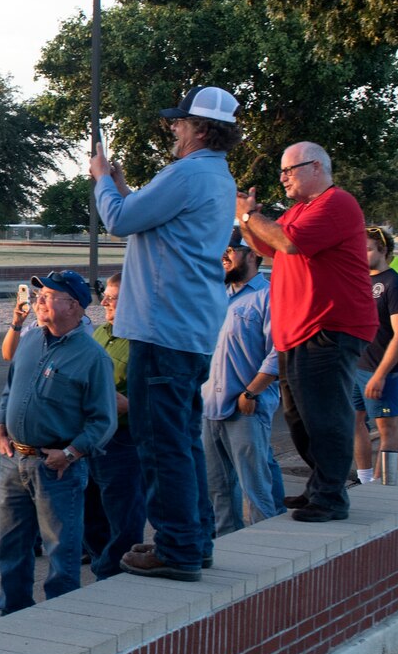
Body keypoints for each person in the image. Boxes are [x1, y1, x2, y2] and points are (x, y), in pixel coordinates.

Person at [90, 85, 240, 583]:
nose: (172, 128)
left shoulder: (189, 171)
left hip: (163, 329)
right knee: (183, 438)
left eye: (178, 122)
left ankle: (176, 547)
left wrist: (101, 182)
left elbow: (118, 219)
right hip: (190, 327)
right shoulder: (215, 174)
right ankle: (195, 540)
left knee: (162, 442)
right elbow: (150, 218)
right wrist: (124, 184)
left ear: (199, 128)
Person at [235, 142, 376, 522]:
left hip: (328, 327)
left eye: (289, 170)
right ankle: (320, 486)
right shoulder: (300, 210)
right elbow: (267, 244)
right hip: (296, 331)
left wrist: (249, 217)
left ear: (316, 167)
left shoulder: (337, 203)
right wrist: (247, 222)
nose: (282, 178)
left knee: (325, 413)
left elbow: (288, 243)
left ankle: (331, 496)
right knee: (300, 416)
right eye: (281, 171)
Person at [0, 271, 116, 614]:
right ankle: (12, 617)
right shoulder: (31, 338)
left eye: (48, 296)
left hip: (57, 471)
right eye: (39, 294)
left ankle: (60, 620)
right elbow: (10, 386)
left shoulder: (92, 357)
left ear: (74, 306)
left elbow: (103, 420)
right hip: (13, 463)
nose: (39, 300)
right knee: (11, 550)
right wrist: (0, 425)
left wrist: (71, 453)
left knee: (62, 554)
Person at [201, 238, 284, 555]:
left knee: (256, 488)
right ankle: (229, 549)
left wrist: (252, 392)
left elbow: (279, 352)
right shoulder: (218, 295)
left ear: (254, 255)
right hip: (209, 407)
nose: (224, 255)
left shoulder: (269, 296)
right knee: (218, 487)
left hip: (245, 409)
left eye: (231, 250)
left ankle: (265, 552)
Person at [87, 272, 148, 580]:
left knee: (123, 515)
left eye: (114, 299)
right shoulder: (99, 333)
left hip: (123, 441)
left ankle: (115, 573)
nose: (106, 303)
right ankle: (102, 563)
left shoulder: (144, 342)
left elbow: (157, 395)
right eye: (105, 296)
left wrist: (131, 403)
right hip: (91, 437)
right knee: (91, 512)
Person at [353, 227, 398, 478]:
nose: (362, 254)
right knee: (354, 422)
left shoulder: (395, 284)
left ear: (383, 250)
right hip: (356, 366)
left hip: (384, 369)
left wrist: (380, 375)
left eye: (367, 249)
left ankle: (384, 486)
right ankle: (365, 480)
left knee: (388, 430)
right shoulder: (360, 279)